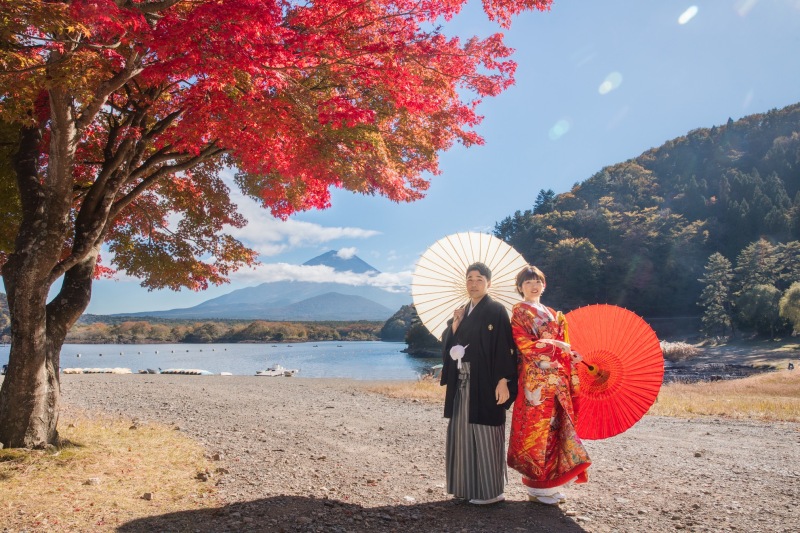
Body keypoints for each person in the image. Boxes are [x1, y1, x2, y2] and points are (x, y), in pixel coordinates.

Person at [507, 265, 591, 505]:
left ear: (544, 285)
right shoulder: (520, 311)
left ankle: (549, 484)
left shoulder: (552, 312)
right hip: (537, 381)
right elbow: (523, 343)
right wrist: (555, 345)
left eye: (538, 282)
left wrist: (571, 354)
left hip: (558, 380)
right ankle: (538, 486)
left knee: (557, 430)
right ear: (520, 287)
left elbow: (563, 345)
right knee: (538, 433)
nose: (534, 286)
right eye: (528, 282)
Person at [440, 262, 517, 505]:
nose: (473, 284)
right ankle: (465, 487)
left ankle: (490, 491)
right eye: (470, 279)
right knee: (462, 433)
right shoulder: (463, 311)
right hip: (463, 382)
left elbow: (505, 347)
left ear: (489, 283)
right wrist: (454, 326)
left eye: (479, 279)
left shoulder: (496, 309)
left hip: (485, 380)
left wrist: (503, 380)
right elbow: (449, 342)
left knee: (485, 432)